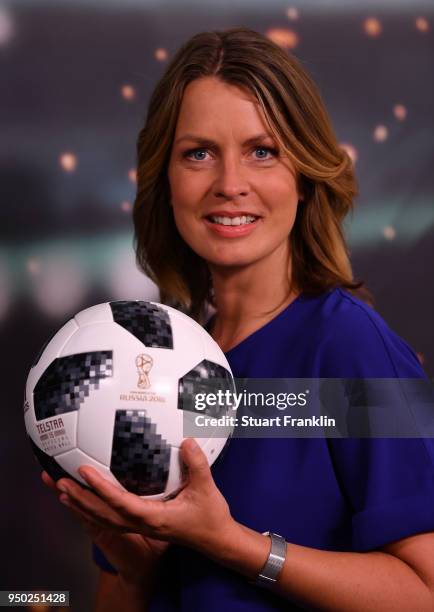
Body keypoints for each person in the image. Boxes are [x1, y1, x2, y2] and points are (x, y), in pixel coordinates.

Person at [42, 27, 434, 611]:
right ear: (165, 178)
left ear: (303, 175)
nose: (230, 185)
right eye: (198, 153)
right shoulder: (147, 367)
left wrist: (230, 544)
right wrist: (137, 571)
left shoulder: (354, 348)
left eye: (262, 151)